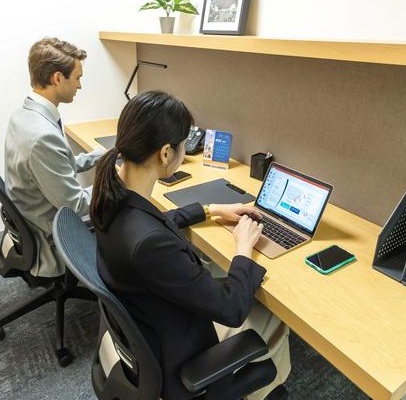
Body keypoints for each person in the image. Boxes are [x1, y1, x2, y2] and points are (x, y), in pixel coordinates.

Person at [91, 91, 291, 400]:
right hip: (183, 359)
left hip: (154, 324)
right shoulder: (149, 243)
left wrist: (212, 210)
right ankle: (267, 390)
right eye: (183, 144)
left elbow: (155, 223)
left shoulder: (111, 196)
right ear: (165, 153)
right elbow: (232, 309)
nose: (185, 151)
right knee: (274, 316)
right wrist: (243, 247)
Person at [4, 37, 104, 278]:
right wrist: (118, 179)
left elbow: (55, 167)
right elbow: (76, 205)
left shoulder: (24, 116)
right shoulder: (42, 137)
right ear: (58, 78)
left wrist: (97, 156)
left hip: (32, 215)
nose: (80, 86)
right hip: (50, 235)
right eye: (77, 78)